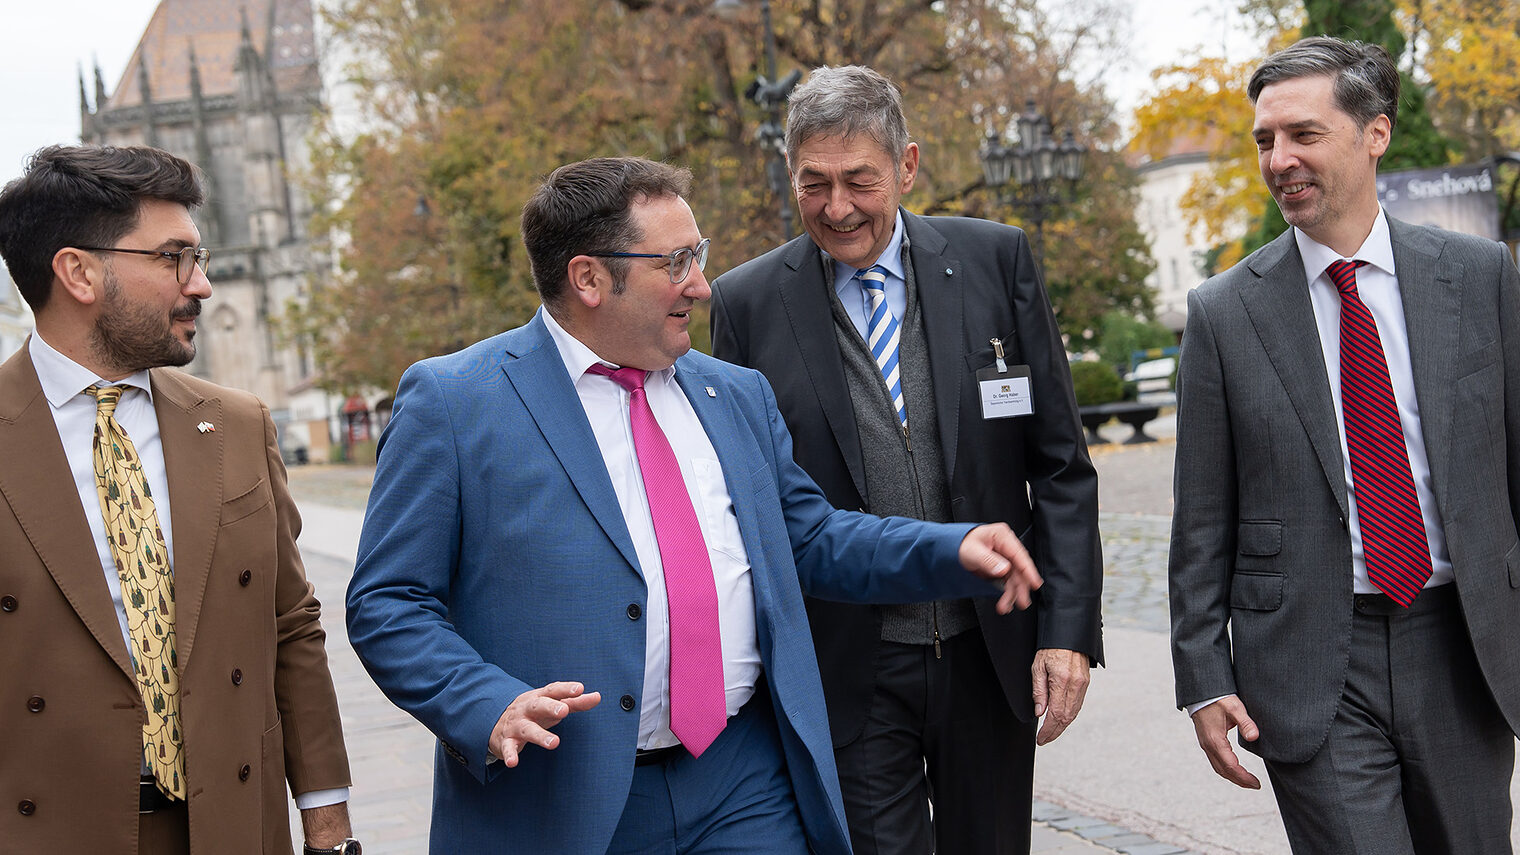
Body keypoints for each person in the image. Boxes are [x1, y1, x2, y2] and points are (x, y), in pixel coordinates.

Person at [344, 155, 1045, 855]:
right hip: (564, 796)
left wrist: (947, 548)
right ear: (588, 276)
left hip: (745, 783)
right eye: (676, 261)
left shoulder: (735, 394)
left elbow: (809, 538)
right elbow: (388, 600)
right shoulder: (456, 401)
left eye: (698, 256)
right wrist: (482, 704)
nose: (702, 286)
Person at [710, 65, 1102, 855]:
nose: (838, 207)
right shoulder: (746, 304)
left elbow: (1059, 463)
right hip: (849, 665)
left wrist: (1067, 630)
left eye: (860, 180)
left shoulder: (996, 260)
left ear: (908, 165)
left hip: (990, 653)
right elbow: (755, 507)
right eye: (813, 184)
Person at [1169, 36, 1520, 854]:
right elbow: (1202, 516)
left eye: (1303, 134)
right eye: (1265, 141)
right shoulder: (1225, 312)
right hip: (1311, 660)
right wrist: (1203, 677)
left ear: (1376, 134)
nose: (1279, 159)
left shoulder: (1479, 277)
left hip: (1464, 643)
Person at [0, 144, 357, 854]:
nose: (202, 285)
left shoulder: (237, 423)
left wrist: (328, 821)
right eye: (174, 257)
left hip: (231, 822)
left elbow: (291, 625)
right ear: (77, 271)